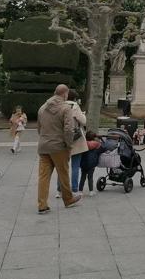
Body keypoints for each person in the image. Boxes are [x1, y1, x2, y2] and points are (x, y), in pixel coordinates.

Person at [36, 85, 82, 214]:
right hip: (59, 146)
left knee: (43, 177)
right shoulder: (65, 108)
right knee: (63, 174)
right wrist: (68, 145)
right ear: (65, 94)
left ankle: (42, 205)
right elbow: (68, 129)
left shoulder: (42, 108)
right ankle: (68, 200)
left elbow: (39, 128)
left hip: (44, 146)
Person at [66, 90, 88, 194]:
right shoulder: (75, 106)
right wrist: (83, 115)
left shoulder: (61, 105)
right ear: (75, 98)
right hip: (75, 139)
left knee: (62, 167)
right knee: (75, 166)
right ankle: (74, 188)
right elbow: (83, 121)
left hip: (63, 139)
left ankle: (59, 189)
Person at [80, 131, 103, 196]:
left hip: (83, 163)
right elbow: (102, 149)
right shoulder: (97, 144)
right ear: (94, 137)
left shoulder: (83, 143)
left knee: (83, 177)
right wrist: (99, 139)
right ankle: (91, 191)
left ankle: (80, 191)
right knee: (90, 177)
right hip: (92, 163)